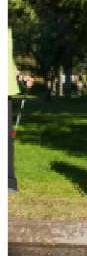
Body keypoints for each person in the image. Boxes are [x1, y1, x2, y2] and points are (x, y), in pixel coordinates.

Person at [8, 27, 33, 193]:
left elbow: (7, 61)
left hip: (6, 90)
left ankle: (9, 182)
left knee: (7, 140)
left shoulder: (7, 30)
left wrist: (21, 76)